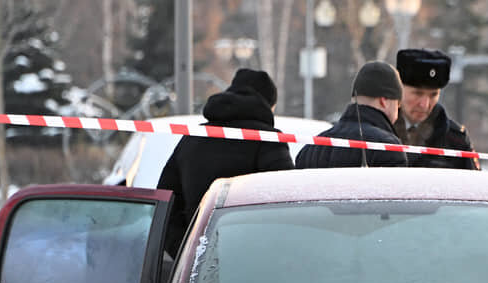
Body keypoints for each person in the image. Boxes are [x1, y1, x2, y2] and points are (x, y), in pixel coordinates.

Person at [157, 68, 293, 255]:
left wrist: (186, 253)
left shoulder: (193, 138)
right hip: (254, 259)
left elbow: (165, 203)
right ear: (269, 105)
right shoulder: (268, 141)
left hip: (198, 266)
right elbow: (288, 203)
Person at [295, 61, 408, 169]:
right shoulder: (387, 148)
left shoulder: (310, 149)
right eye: (398, 104)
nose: (398, 112)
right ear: (384, 101)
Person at [392, 48, 479, 170]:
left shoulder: (456, 140)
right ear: (398, 88)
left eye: (433, 95)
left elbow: (474, 184)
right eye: (417, 93)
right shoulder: (376, 130)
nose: (425, 104)